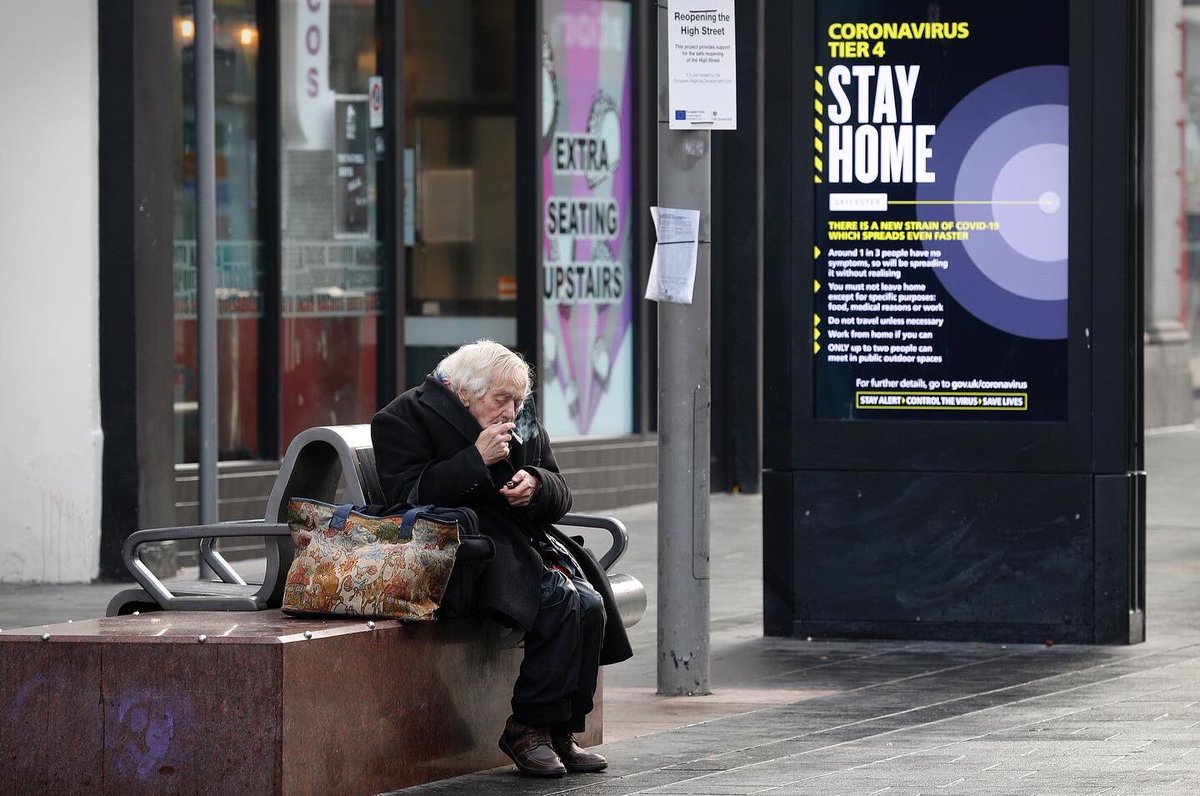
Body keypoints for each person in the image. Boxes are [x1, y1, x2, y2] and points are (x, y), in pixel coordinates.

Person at [371, 339, 633, 778]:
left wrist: (535, 484)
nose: (511, 411)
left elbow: (560, 488)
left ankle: (559, 729)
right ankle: (526, 730)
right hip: (462, 552)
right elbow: (406, 500)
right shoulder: (403, 417)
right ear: (464, 392)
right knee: (557, 601)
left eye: (517, 400)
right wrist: (475, 459)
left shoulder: (521, 421)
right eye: (501, 400)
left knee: (588, 605)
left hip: (522, 543)